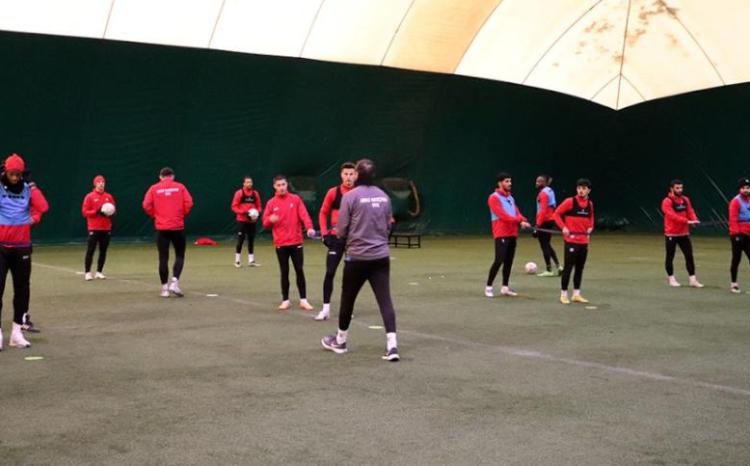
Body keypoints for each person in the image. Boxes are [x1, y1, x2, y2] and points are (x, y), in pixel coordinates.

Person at [321, 158, 400, 361]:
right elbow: (389, 225)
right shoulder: (384, 196)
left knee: (347, 299)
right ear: (374, 175)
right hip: (381, 257)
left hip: (356, 258)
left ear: (357, 175)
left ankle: (340, 341)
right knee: (385, 300)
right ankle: (392, 346)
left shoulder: (350, 197)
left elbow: (341, 230)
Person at [0, 153, 49, 350]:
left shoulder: (28, 189)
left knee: (22, 290)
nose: (14, 177)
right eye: (11, 173)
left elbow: (43, 207)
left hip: (22, 247)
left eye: (18, 174)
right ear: (6, 171)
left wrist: (32, 186)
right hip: (1, 247)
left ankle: (16, 333)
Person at [262, 175, 315, 311]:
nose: (281, 187)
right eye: (278, 185)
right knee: (284, 272)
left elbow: (304, 215)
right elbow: (265, 223)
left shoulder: (295, 199)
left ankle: (303, 300)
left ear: (287, 185)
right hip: (281, 243)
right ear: (274, 187)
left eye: (283, 184)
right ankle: (285, 300)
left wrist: (309, 227)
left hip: (296, 242)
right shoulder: (271, 203)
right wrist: (270, 220)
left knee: (299, 270)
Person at [314, 162, 357, 321]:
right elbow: (323, 213)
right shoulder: (333, 192)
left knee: (350, 276)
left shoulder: (359, 193)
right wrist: (324, 234)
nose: (348, 177)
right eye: (346, 174)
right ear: (341, 175)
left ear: (356, 175)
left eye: (351, 174)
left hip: (354, 240)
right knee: (330, 272)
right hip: (336, 239)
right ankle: (325, 309)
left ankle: (347, 309)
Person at [142, 167, 194, 298]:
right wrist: (181, 215)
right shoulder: (180, 187)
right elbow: (189, 202)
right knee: (180, 255)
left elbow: (146, 205)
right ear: (173, 176)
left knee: (163, 258)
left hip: (162, 229)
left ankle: (165, 289)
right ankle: (174, 282)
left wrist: (156, 215)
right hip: (178, 227)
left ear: (160, 177)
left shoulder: (153, 188)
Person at [485, 172, 530, 297]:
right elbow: (503, 216)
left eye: (510, 181)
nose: (510, 183)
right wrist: (519, 221)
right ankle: (488, 287)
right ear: (500, 183)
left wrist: (523, 220)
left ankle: (505, 287)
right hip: (501, 233)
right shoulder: (493, 198)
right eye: (507, 181)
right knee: (499, 260)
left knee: (509, 260)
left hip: (512, 233)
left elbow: (517, 212)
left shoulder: (510, 198)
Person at [554, 178, 594, 305]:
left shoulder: (590, 204)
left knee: (579, 269)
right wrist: (563, 227)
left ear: (588, 190)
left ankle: (576, 294)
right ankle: (563, 294)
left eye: (584, 188)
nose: (581, 191)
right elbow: (556, 214)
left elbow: (591, 218)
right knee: (568, 268)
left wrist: (590, 228)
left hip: (584, 242)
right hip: (571, 241)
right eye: (579, 188)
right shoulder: (569, 201)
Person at [661, 179, 703, 288]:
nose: (680, 190)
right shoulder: (667, 201)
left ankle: (693, 280)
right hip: (671, 234)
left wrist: (694, 220)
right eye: (677, 188)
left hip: (684, 233)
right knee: (670, 256)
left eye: (681, 188)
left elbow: (690, 211)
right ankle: (671, 279)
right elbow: (671, 216)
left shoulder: (685, 199)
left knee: (689, 255)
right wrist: (686, 221)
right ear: (671, 189)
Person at [81, 175, 116, 281]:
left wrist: (109, 213)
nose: (101, 184)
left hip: (106, 228)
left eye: (103, 182)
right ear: (95, 184)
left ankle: (99, 272)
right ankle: (87, 272)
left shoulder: (108, 196)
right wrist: (97, 211)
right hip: (94, 228)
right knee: (90, 250)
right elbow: (85, 212)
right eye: (99, 182)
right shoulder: (89, 196)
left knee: (103, 251)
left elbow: (113, 210)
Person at [231, 176, 262, 267]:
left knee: (251, 240)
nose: (249, 184)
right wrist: (244, 212)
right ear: (244, 183)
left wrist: (256, 213)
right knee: (240, 240)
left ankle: (251, 261)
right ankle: (237, 261)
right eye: (247, 182)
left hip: (252, 221)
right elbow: (234, 207)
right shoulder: (239, 193)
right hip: (242, 220)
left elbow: (259, 206)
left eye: (250, 182)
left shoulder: (255, 193)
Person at [534, 174, 562, 277]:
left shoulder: (543, 194)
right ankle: (559, 267)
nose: (537, 183)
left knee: (544, 245)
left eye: (539, 181)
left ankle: (549, 269)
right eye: (537, 181)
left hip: (544, 221)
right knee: (547, 244)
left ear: (545, 183)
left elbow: (543, 210)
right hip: (550, 220)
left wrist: (537, 225)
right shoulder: (549, 190)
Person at [728, 177, 750, 293]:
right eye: (743, 188)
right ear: (739, 189)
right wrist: (736, 235)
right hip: (738, 234)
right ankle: (734, 284)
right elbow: (733, 219)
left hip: (748, 234)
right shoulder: (735, 201)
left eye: (748, 188)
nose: (746, 190)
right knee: (736, 259)